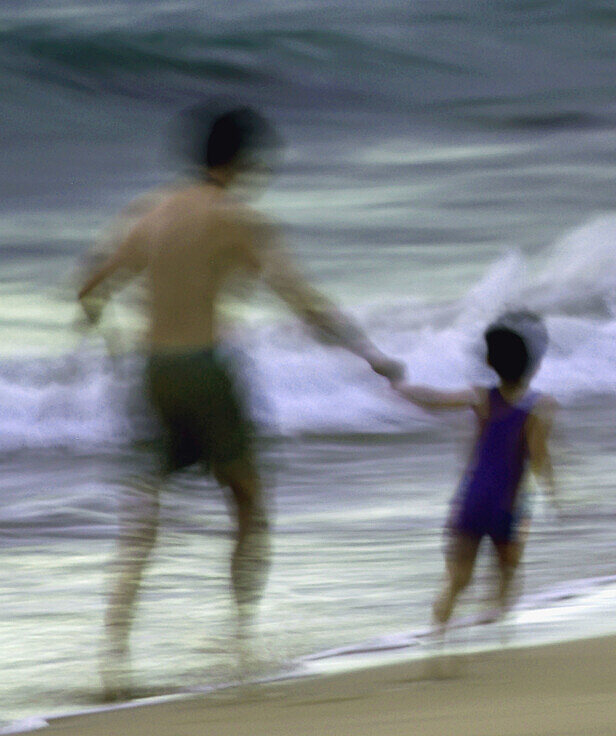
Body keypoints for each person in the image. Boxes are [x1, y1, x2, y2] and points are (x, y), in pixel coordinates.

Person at [76, 102, 403, 700]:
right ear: (242, 162)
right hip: (206, 370)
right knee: (250, 505)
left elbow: (89, 286)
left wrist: (108, 338)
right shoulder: (235, 218)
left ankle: (113, 656)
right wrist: (368, 354)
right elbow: (299, 299)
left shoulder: (146, 213)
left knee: (141, 523)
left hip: (151, 375)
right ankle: (240, 639)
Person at [390, 311, 559, 647]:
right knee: (508, 570)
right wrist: (556, 495)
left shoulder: (480, 398)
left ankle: (437, 639)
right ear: (534, 367)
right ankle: (499, 631)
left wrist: (400, 387)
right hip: (508, 507)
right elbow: (539, 460)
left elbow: (435, 400)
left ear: (490, 362)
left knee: (456, 579)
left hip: (472, 500)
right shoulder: (540, 407)